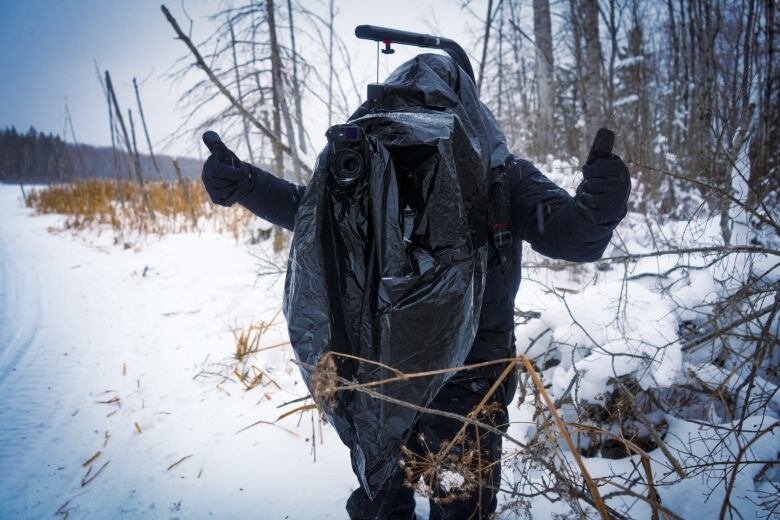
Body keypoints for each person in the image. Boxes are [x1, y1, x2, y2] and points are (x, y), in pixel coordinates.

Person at [201, 66, 630, 520]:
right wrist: (246, 184)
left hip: (467, 381)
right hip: (381, 375)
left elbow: (571, 236)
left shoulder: (499, 175)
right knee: (385, 500)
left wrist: (599, 205)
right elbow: (317, 215)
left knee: (462, 506)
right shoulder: (375, 163)